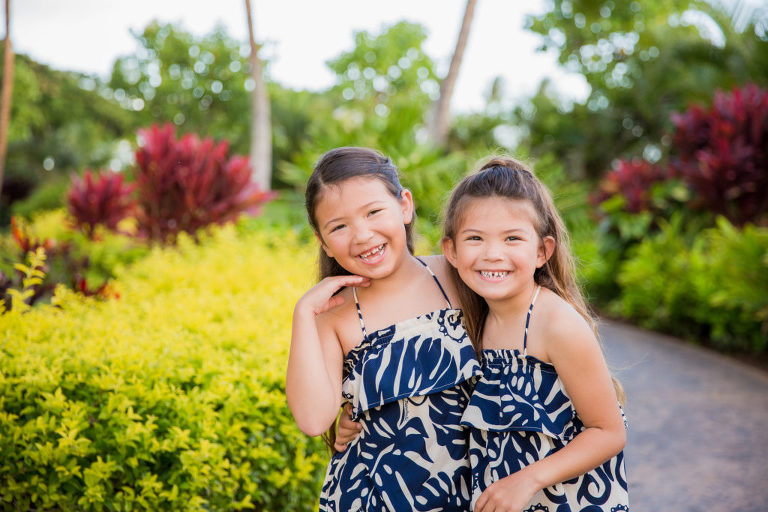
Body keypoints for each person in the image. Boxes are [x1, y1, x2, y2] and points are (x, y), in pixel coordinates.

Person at [285, 147, 482, 511]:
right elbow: (313, 420)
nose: (361, 235)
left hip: (474, 490)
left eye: (373, 212)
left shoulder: (458, 275)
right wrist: (304, 313)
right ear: (323, 242)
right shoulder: (334, 316)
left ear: (404, 206)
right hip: (376, 497)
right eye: (339, 227)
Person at [441, 157, 629, 512]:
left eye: (512, 238)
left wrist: (526, 480)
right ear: (450, 250)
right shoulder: (477, 317)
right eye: (475, 238)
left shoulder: (555, 324)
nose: (493, 254)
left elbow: (609, 432)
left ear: (542, 251)